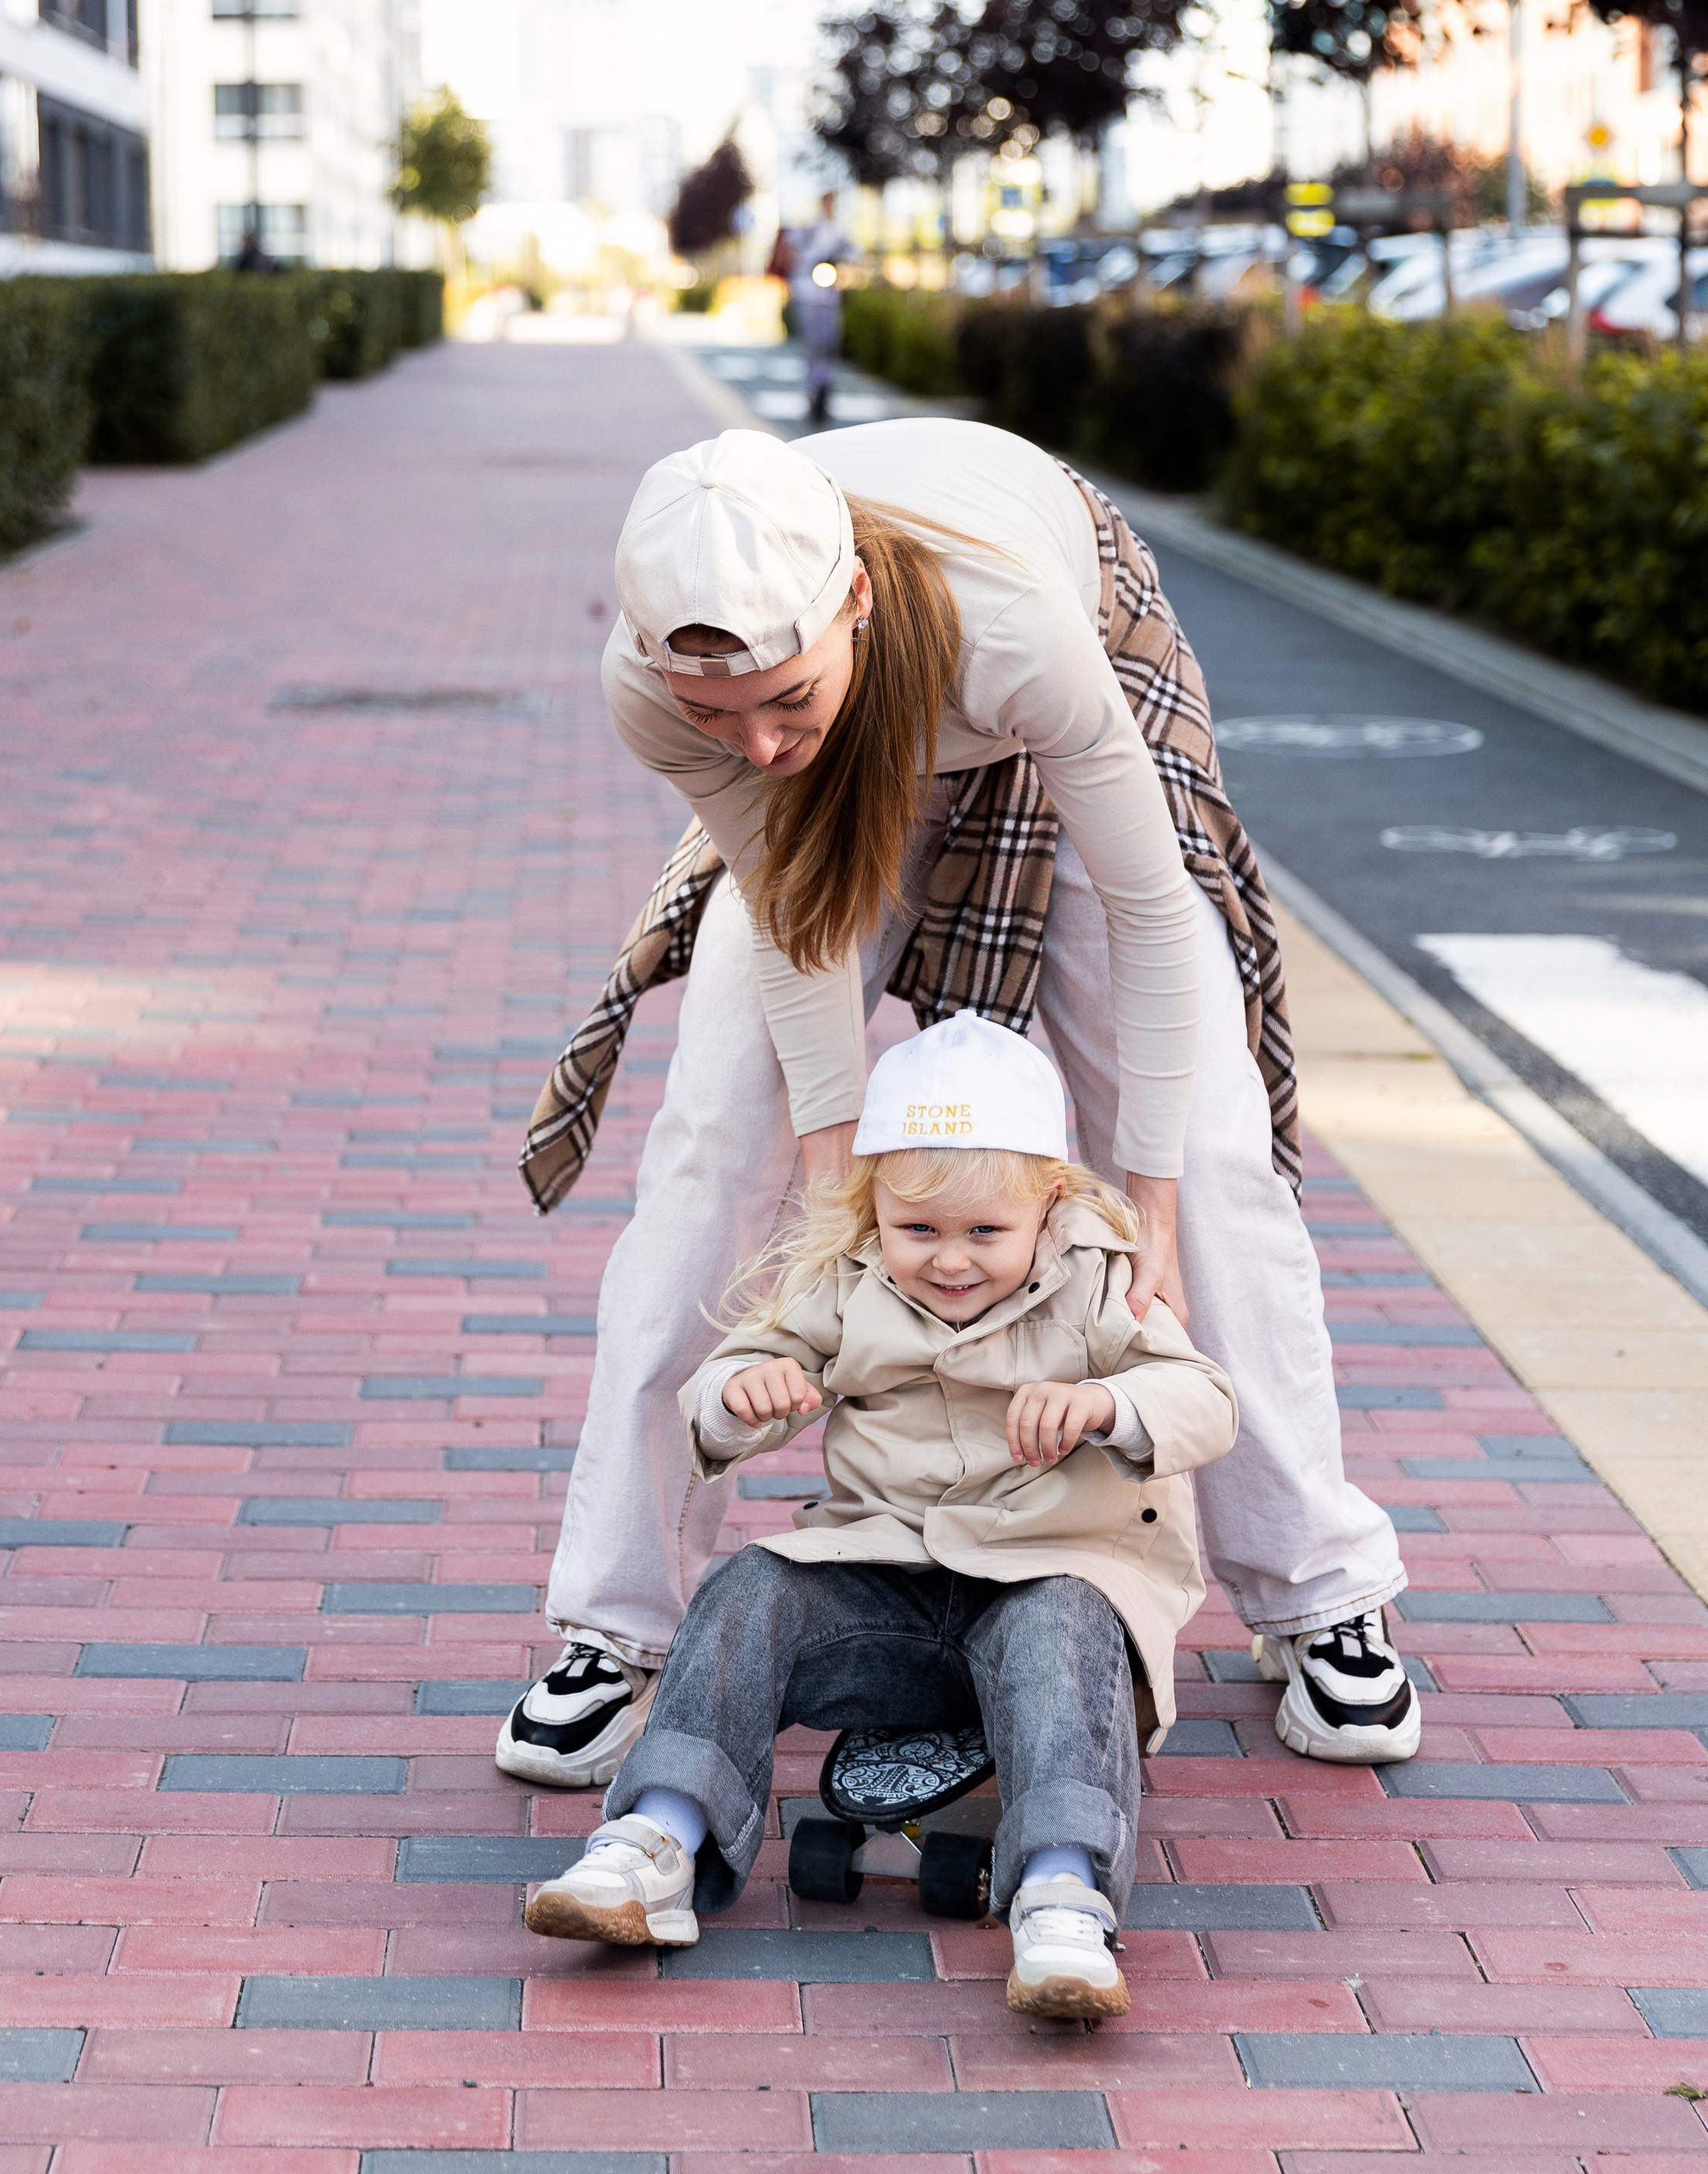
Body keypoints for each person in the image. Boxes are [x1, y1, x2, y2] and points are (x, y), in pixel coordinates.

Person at [496, 422, 1419, 1793]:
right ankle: (622, 1626)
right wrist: (834, 1195)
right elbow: (802, 923)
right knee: (705, 1160)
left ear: (852, 605)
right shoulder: (666, 696)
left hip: (1054, 693)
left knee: (1211, 1156)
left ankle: (1318, 1586)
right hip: (849, 794)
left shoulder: (1012, 632)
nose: (755, 743)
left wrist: (1147, 1194)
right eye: (717, 714)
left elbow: (1159, 916)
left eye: (784, 698)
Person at [524, 1013, 1236, 2019]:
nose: (951, 1260)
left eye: (986, 1232)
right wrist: (744, 1393)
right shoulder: (846, 1282)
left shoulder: (1099, 1281)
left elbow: (1205, 1398)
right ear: (873, 1210)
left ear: (1053, 1200)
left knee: (1068, 1626)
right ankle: (657, 1839)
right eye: (920, 1232)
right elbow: (726, 1379)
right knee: (749, 1587)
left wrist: (1109, 1404)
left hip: (1048, 1568)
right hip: (883, 1581)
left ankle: (1063, 1894)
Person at [791, 190, 854, 425]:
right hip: (810, 294)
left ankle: (826, 392)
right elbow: (795, 246)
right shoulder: (811, 229)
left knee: (829, 345)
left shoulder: (838, 231)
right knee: (813, 347)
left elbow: (854, 251)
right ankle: (811, 392)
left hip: (829, 296)